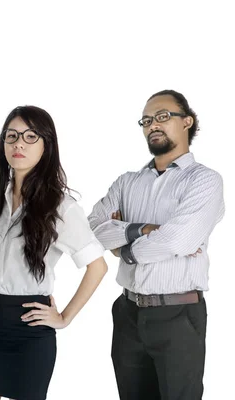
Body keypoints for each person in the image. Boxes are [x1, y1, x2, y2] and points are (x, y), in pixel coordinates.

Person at [88, 89, 225, 400]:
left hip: (178, 316)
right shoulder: (127, 182)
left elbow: (178, 239)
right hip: (127, 314)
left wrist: (123, 248)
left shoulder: (204, 181)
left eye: (163, 116)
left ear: (187, 121)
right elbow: (94, 229)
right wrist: (146, 230)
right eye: (147, 120)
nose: (153, 124)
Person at [0, 105, 108, 400]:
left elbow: (98, 266)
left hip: (30, 328)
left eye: (31, 137)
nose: (19, 143)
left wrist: (64, 317)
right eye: (12, 135)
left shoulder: (61, 207)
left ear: (47, 145)